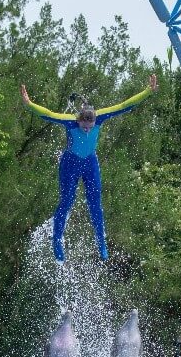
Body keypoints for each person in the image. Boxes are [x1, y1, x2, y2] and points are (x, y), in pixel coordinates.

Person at [21, 75, 158, 262]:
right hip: (70, 163)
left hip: (90, 163)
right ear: (79, 120)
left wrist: (147, 92)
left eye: (90, 126)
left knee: (95, 204)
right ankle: (57, 241)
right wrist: (29, 104)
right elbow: (49, 114)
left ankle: (101, 242)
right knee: (67, 201)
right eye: (84, 126)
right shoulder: (70, 121)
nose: (87, 129)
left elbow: (123, 106)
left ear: (94, 121)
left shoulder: (100, 117)